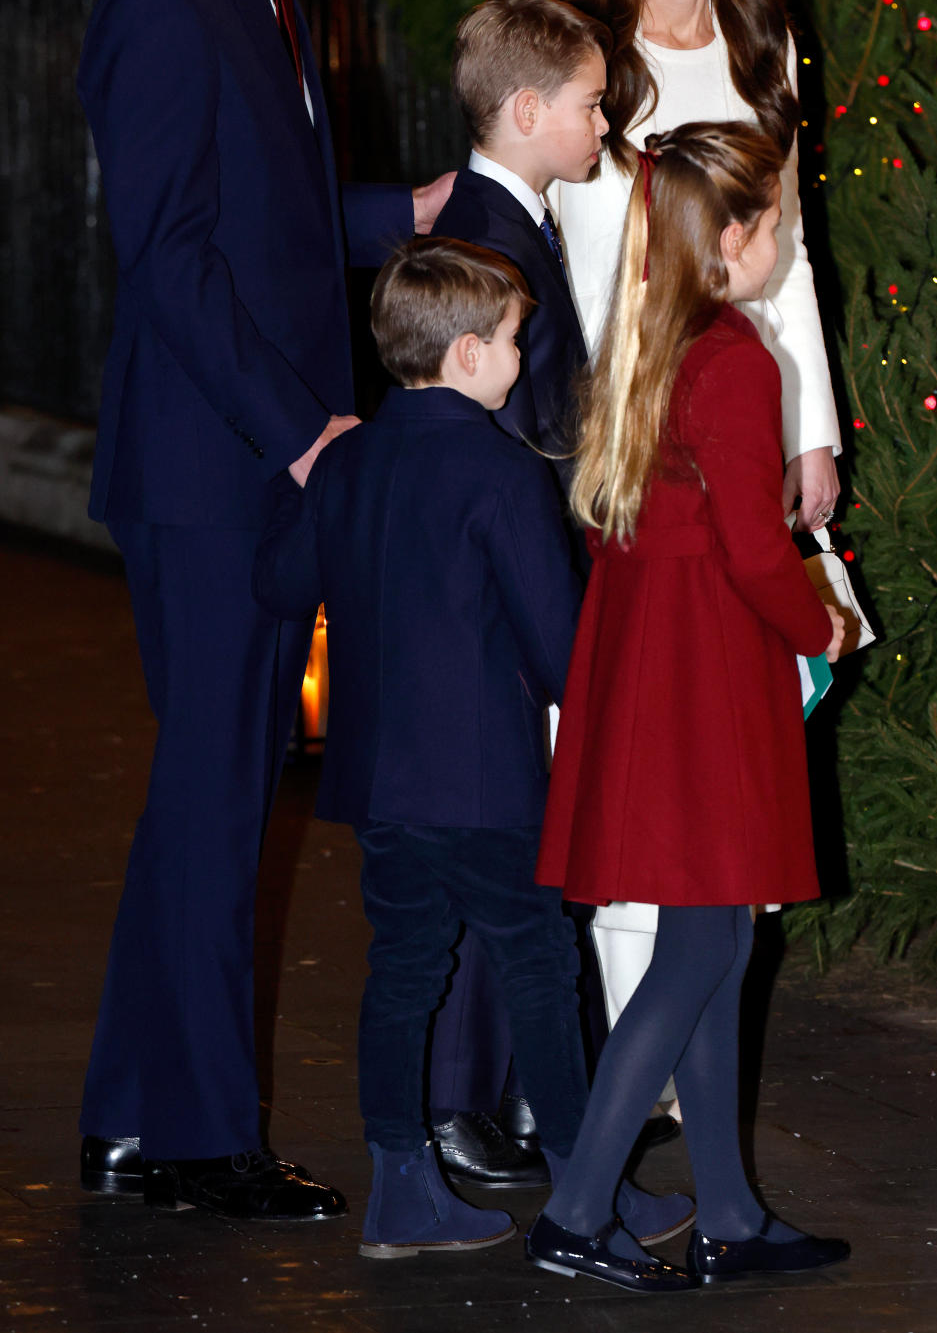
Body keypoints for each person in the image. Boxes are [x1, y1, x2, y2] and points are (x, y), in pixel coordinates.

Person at [76, 0, 451, 1220]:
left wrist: (406, 209)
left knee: (208, 795)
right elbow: (167, 265)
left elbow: (267, 220)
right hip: (217, 471)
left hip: (253, 466)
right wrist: (300, 428)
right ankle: (195, 1140)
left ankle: (129, 1113)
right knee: (219, 798)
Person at [252, 237, 691, 1280]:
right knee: (538, 966)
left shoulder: (351, 459)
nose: (520, 352)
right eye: (510, 338)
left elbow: (279, 586)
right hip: (485, 779)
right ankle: (588, 1185)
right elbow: (558, 645)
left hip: (377, 779)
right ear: (462, 356)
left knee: (404, 967)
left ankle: (402, 1182)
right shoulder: (497, 470)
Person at [527, 122, 850, 1294]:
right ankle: (574, 1212)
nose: (784, 237)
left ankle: (727, 1213)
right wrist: (820, 626)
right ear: (729, 238)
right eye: (774, 219)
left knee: (707, 937)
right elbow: (759, 555)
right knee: (705, 944)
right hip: (707, 674)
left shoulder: (653, 342)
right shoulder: (736, 360)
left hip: (659, 667)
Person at [549, 0, 844, 1040]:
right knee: (638, 761)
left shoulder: (761, 34)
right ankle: (642, 1070)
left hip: (746, 410)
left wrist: (810, 428)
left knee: (744, 752)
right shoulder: (590, 63)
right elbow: (577, 263)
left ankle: (696, 1056)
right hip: (636, 446)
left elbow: (791, 258)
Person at [425, 0, 604, 1188]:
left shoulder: (512, 212)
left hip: (520, 568)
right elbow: (530, 417)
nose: (606, 123)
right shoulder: (492, 236)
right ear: (529, 108)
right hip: (510, 583)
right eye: (591, 105)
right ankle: (463, 1102)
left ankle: (526, 1096)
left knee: (535, 846)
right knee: (509, 853)